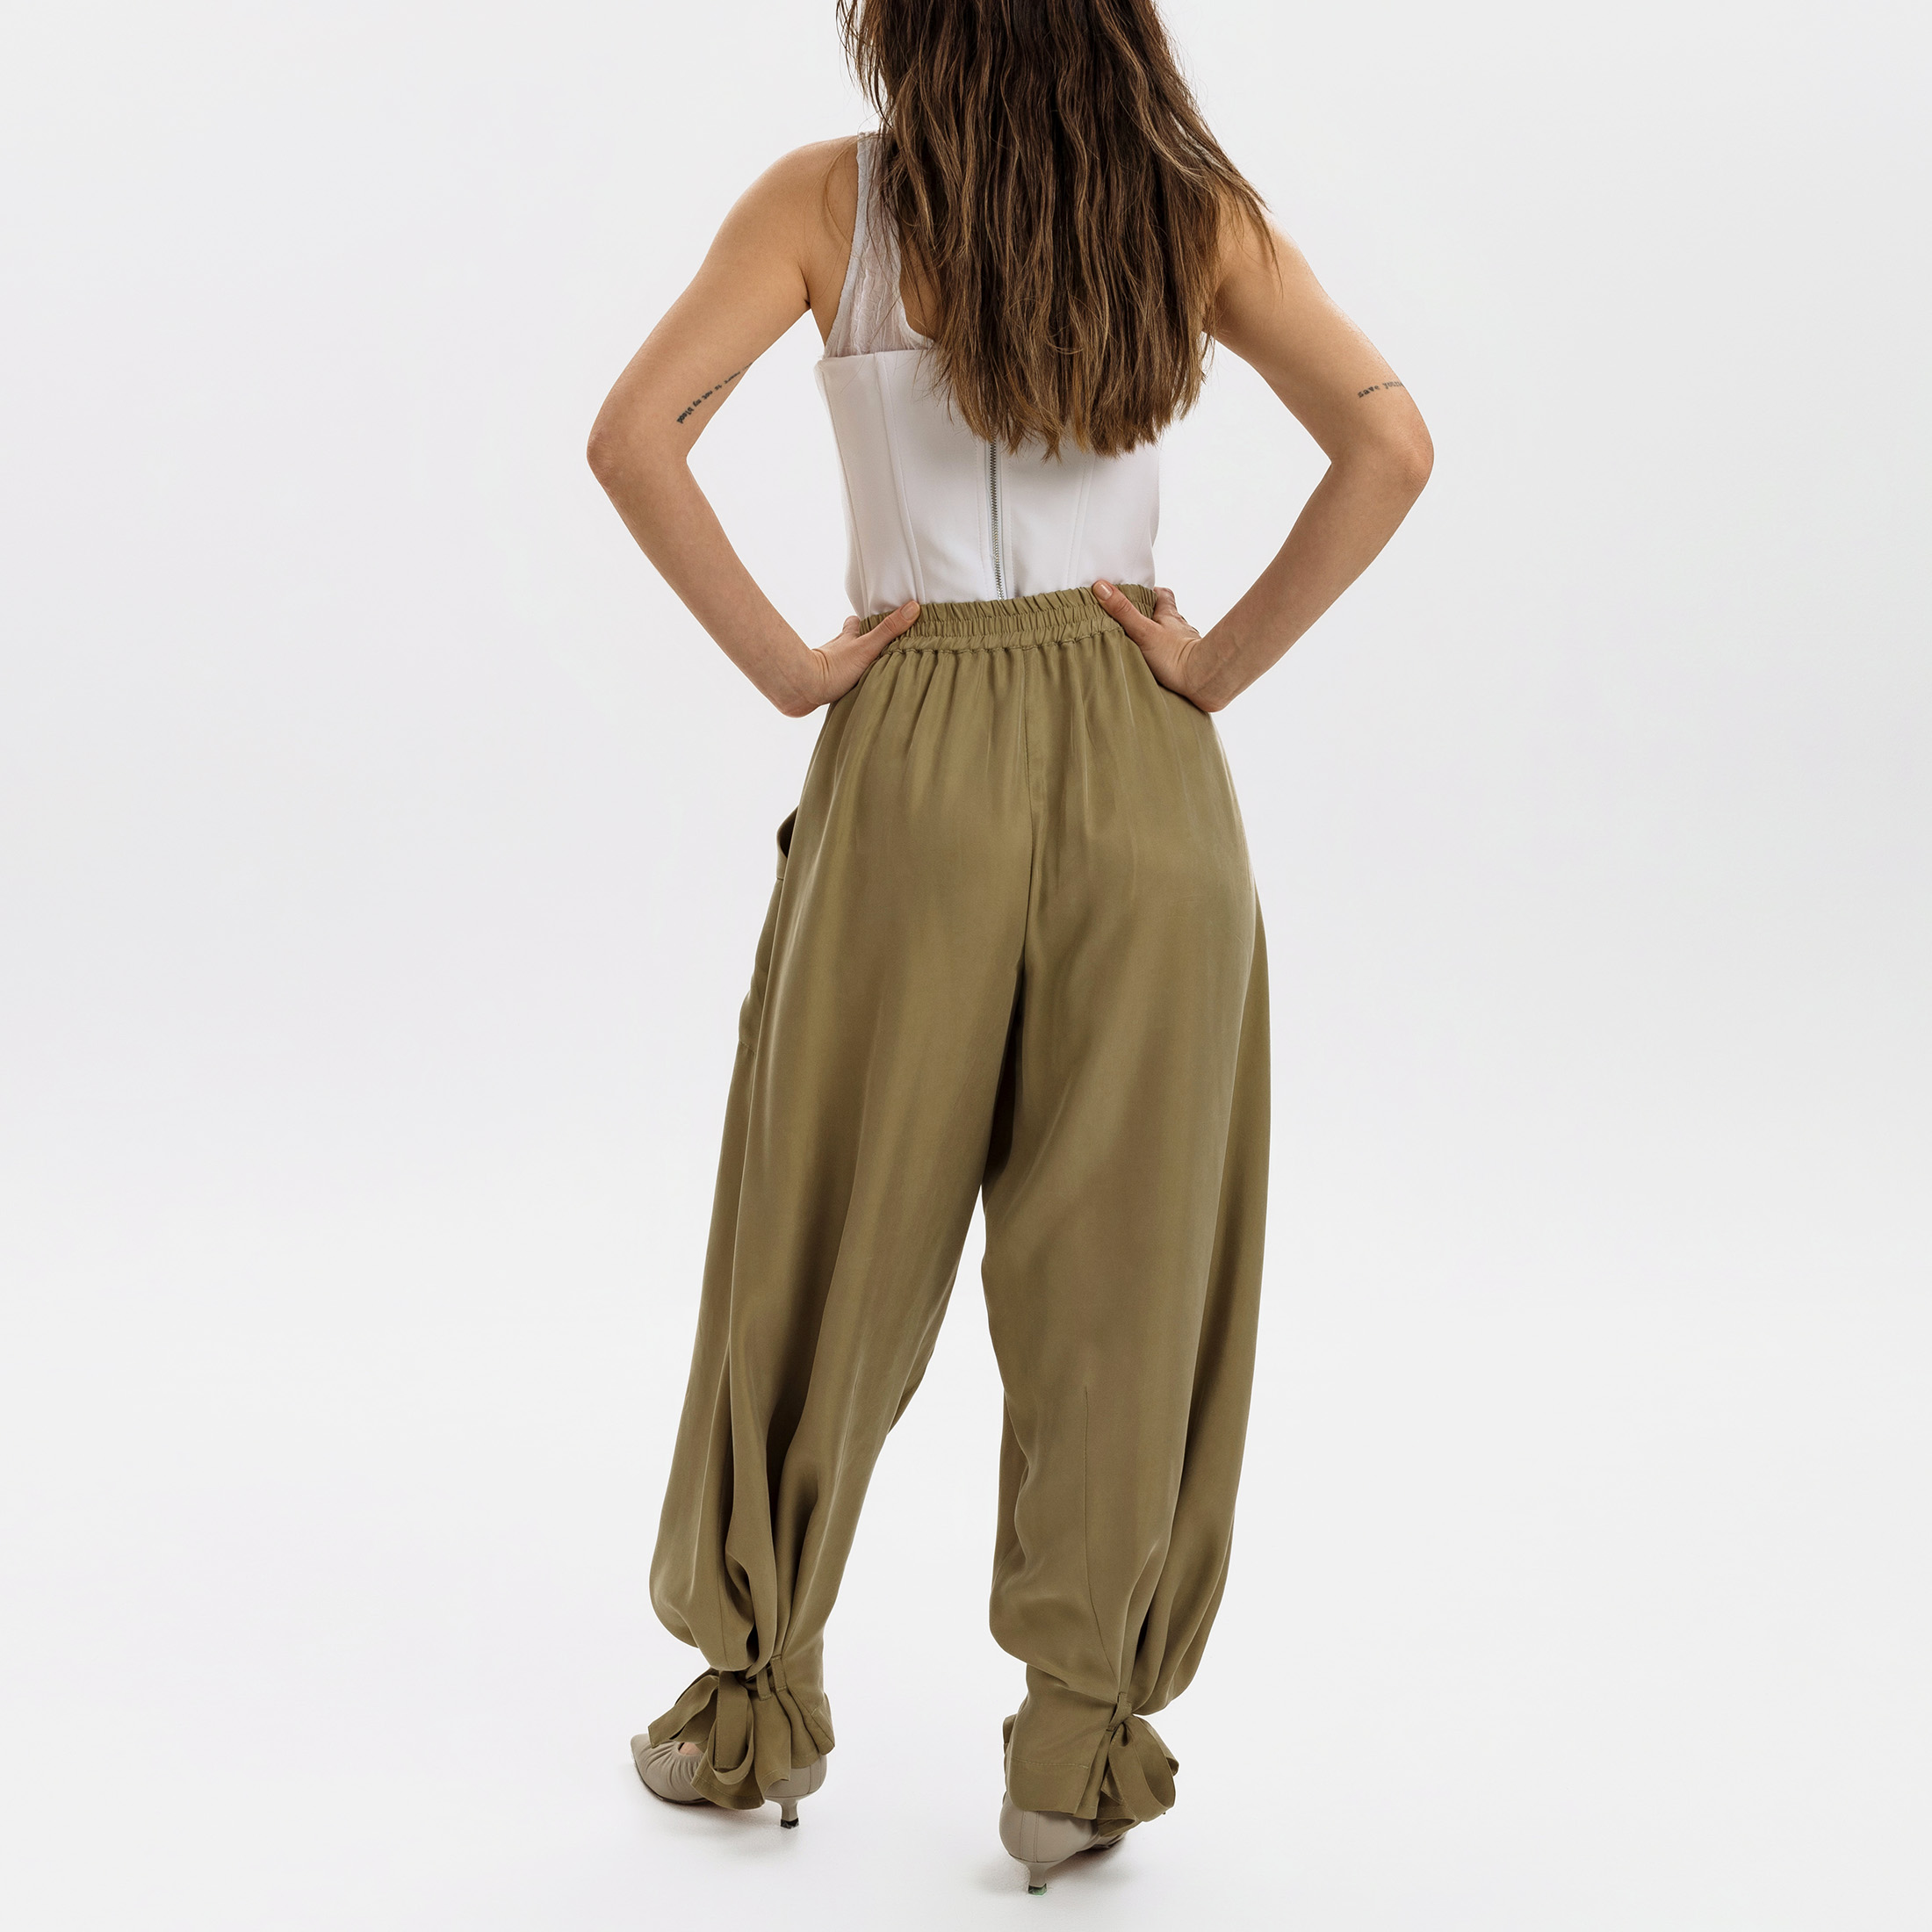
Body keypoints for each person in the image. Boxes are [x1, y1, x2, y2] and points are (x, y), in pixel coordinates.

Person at [587, 0, 1431, 1893]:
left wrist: (790, 667)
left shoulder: (825, 206)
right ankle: (1076, 1755)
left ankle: (748, 1703)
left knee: (824, 1222)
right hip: (1150, 780)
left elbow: (633, 438)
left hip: (916, 760)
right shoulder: (1192, 212)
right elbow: (1390, 442)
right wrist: (1212, 664)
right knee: (1131, 1265)